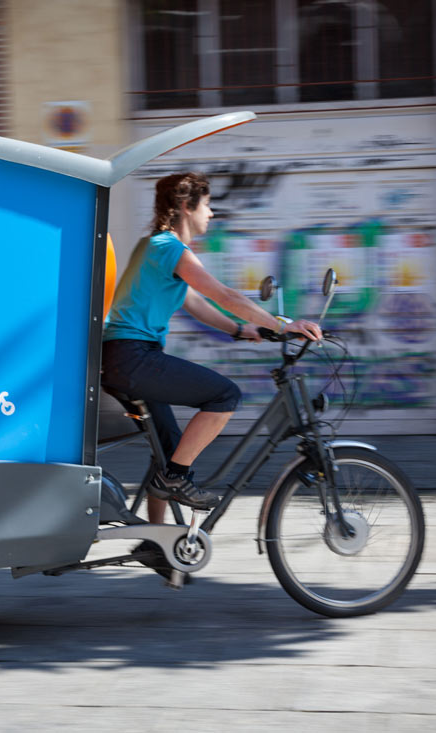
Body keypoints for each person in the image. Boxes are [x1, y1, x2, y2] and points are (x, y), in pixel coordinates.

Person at [101, 172, 322, 525]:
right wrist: (282, 325)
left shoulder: (153, 246)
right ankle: (175, 480)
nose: (212, 213)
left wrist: (243, 330)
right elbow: (224, 295)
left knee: (171, 452)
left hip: (122, 358)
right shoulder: (170, 248)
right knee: (224, 395)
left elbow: (195, 303)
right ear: (186, 206)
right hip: (133, 356)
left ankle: (158, 541)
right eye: (207, 204)